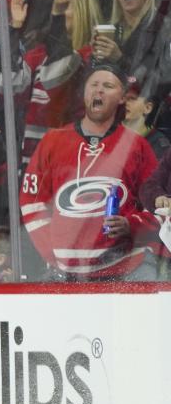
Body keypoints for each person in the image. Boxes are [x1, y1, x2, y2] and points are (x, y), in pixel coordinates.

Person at [21, 64, 159, 281]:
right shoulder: (52, 141)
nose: (99, 90)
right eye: (93, 85)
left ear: (122, 97)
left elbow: (159, 203)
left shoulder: (137, 146)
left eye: (108, 86)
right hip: (64, 273)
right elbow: (32, 202)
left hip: (127, 269)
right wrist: (54, 253)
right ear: (84, 93)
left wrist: (131, 224)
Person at [0, 0, 101, 169]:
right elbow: (5, 84)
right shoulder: (38, 55)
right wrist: (14, 29)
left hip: (69, 162)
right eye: (58, 6)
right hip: (29, 159)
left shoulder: (89, 60)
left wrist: (57, 16)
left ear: (84, 15)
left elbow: (60, 72)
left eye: (65, 6)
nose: (58, 11)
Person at [92, 0, 158, 83]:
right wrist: (95, 57)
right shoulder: (110, 29)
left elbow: (157, 84)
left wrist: (119, 59)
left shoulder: (162, 28)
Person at [123, 79, 170, 159]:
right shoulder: (110, 131)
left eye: (132, 99)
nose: (125, 102)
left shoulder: (158, 145)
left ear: (148, 108)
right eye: (123, 97)